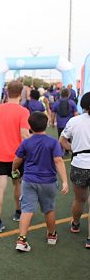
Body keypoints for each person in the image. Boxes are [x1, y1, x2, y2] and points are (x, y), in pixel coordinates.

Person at [12, 112, 68, 252]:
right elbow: (58, 161)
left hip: (29, 180)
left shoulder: (26, 142)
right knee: (48, 209)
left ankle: (22, 240)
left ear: (30, 126)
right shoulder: (52, 142)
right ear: (46, 124)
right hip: (48, 182)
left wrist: (15, 169)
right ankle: (51, 235)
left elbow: (17, 159)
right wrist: (65, 181)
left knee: (27, 209)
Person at [0, 80, 30, 232]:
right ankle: (18, 212)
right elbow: (24, 135)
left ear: (7, 92)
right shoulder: (23, 111)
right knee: (17, 184)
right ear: (21, 93)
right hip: (16, 158)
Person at [59, 92, 90, 248]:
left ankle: (76, 224)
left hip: (79, 164)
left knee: (79, 199)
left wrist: (74, 150)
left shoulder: (75, 121)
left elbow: (62, 140)